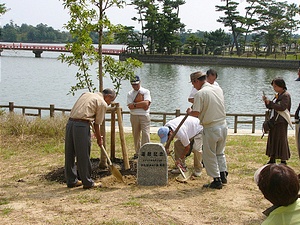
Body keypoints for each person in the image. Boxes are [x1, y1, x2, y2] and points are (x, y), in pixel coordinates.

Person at [65, 88, 116, 189]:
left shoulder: (86, 94)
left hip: (70, 123)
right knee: (83, 154)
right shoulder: (102, 103)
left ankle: (71, 180)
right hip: (81, 126)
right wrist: (99, 138)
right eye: (111, 100)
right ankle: (88, 182)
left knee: (70, 153)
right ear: (108, 96)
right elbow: (97, 124)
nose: (110, 103)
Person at [187, 71, 228, 189]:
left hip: (211, 127)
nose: (194, 86)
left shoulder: (200, 94)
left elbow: (196, 112)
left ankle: (216, 180)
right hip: (223, 125)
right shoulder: (218, 89)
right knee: (220, 152)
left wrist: (190, 112)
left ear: (197, 81)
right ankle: (223, 174)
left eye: (193, 84)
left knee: (209, 154)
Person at [262, 77, 291, 164]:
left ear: (281, 86)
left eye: (275, 86)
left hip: (281, 121)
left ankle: (283, 159)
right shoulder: (278, 95)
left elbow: (282, 107)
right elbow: (273, 106)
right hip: (274, 120)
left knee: (281, 140)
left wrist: (271, 103)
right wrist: (267, 103)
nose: (274, 88)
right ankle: (272, 158)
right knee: (273, 139)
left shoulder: (286, 95)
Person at [127, 75, 151, 159]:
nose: (135, 86)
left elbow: (146, 104)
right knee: (136, 135)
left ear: (140, 82)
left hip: (144, 115)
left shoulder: (146, 91)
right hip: (134, 116)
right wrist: (141, 104)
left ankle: (146, 151)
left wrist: (135, 104)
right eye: (133, 84)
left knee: (146, 134)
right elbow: (130, 106)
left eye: (136, 84)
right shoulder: (130, 93)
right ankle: (137, 152)